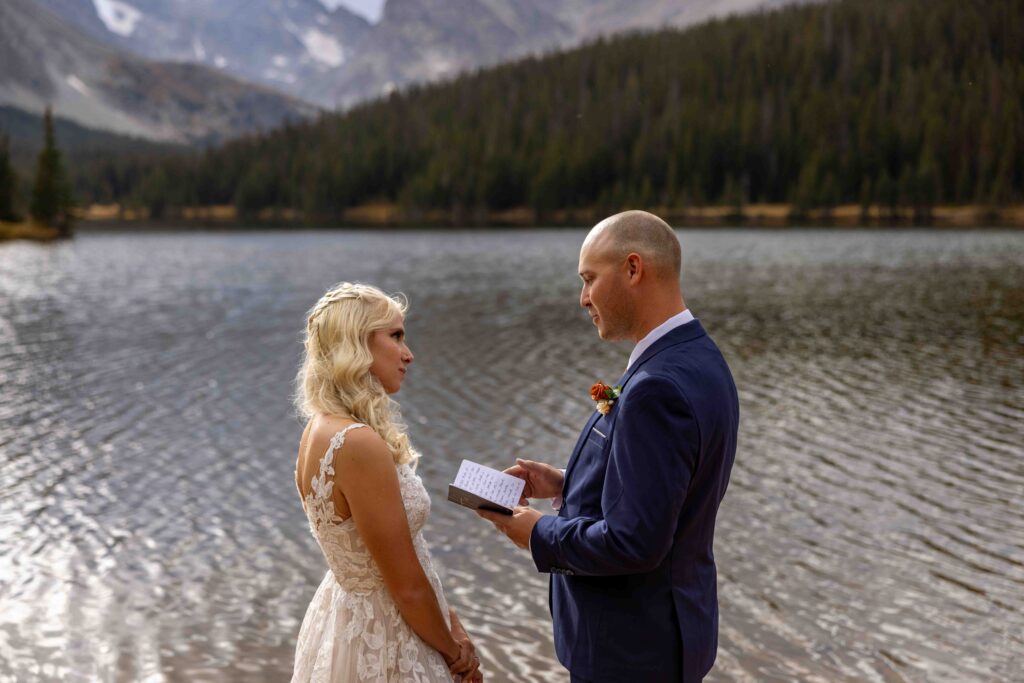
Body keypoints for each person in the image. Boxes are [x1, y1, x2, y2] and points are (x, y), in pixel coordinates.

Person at [478, 211, 739, 683]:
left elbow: (634, 542)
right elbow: (666, 493)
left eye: (589, 279)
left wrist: (537, 533)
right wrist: (565, 483)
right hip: (670, 634)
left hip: (632, 653)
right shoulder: (700, 357)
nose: (583, 299)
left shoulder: (655, 387)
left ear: (633, 269)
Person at [291, 282, 483, 683]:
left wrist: (449, 617)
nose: (408, 354)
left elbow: (389, 557)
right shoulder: (358, 443)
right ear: (356, 344)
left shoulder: (317, 430)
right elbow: (407, 586)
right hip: (386, 637)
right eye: (395, 336)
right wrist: (455, 654)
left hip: (343, 618)